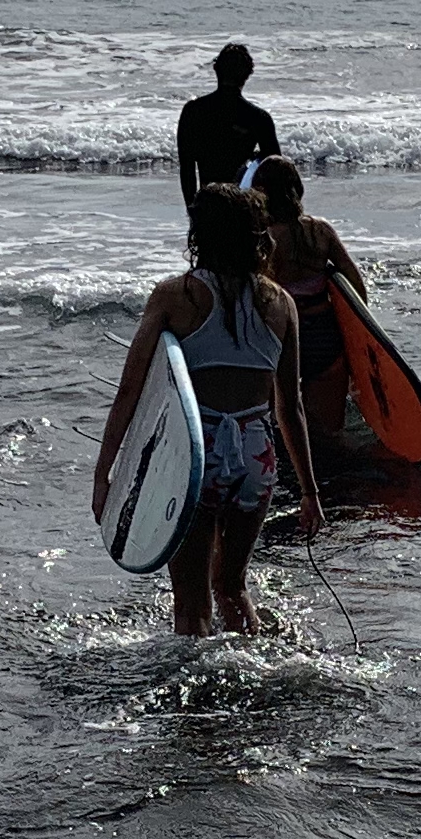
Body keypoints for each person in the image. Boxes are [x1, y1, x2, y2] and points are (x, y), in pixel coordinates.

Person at [92, 184, 323, 636]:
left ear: (199, 234)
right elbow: (290, 406)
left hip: (195, 454)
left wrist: (106, 475)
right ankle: (255, 683)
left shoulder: (176, 296)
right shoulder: (282, 304)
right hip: (258, 456)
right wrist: (310, 493)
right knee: (232, 587)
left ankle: (197, 701)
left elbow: (131, 391)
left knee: (191, 603)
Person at [251, 153, 371, 454]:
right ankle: (338, 487)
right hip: (324, 338)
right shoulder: (321, 230)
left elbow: (251, 295)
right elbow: (356, 286)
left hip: (281, 339)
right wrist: (358, 341)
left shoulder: (263, 240)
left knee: (274, 425)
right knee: (329, 436)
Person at [175, 42, 281, 207]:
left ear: (216, 70)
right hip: (243, 209)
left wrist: (193, 211)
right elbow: (277, 172)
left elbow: (187, 169)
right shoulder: (258, 117)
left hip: (207, 205)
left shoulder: (193, 111)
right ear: (247, 75)